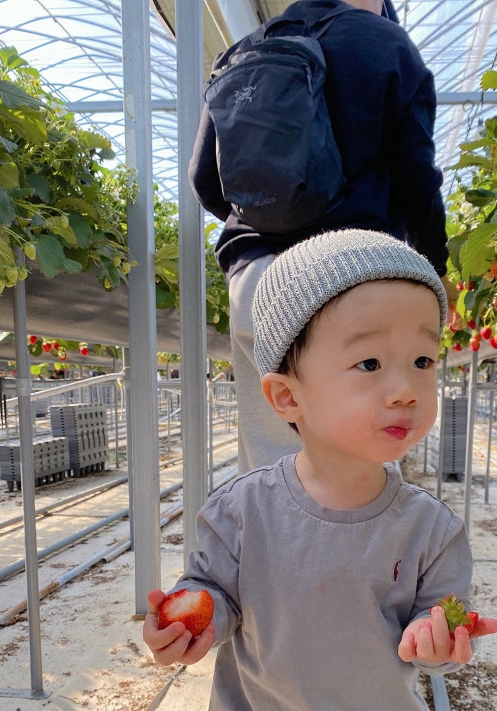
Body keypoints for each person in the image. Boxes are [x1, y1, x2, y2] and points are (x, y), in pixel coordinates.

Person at [143, 229, 497, 711]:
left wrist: (439, 637)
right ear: (285, 396)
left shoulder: (431, 531)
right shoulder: (240, 513)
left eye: (423, 361)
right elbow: (216, 593)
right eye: (369, 362)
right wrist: (194, 617)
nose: (403, 386)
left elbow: (439, 620)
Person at [191, 0, 450, 472]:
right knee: (360, 474)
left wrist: (269, 220)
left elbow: (206, 181)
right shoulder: (387, 45)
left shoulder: (245, 52)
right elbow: (419, 184)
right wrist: (436, 265)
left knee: (271, 476)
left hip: (255, 280)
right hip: (352, 280)